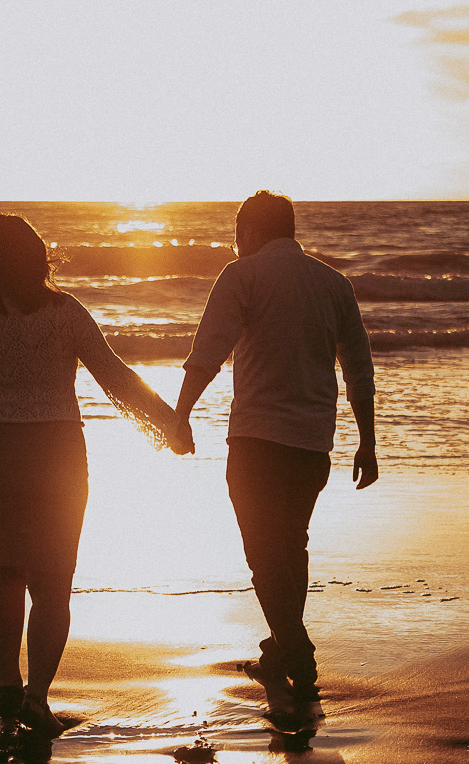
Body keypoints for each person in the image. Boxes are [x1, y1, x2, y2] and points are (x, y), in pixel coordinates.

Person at [0, 214, 187, 735]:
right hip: (55, 454)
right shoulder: (66, 313)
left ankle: (7, 686)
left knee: (5, 571)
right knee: (54, 585)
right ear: (39, 259)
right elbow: (114, 375)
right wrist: (168, 423)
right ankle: (38, 700)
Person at [173, 191, 377, 715]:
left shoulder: (242, 276)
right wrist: (368, 442)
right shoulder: (334, 284)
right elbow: (359, 368)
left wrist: (181, 413)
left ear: (250, 230)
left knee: (264, 554)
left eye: (237, 232)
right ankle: (281, 649)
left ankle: (298, 652)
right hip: (312, 443)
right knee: (290, 548)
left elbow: (209, 351)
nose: (235, 243)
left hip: (257, 440)